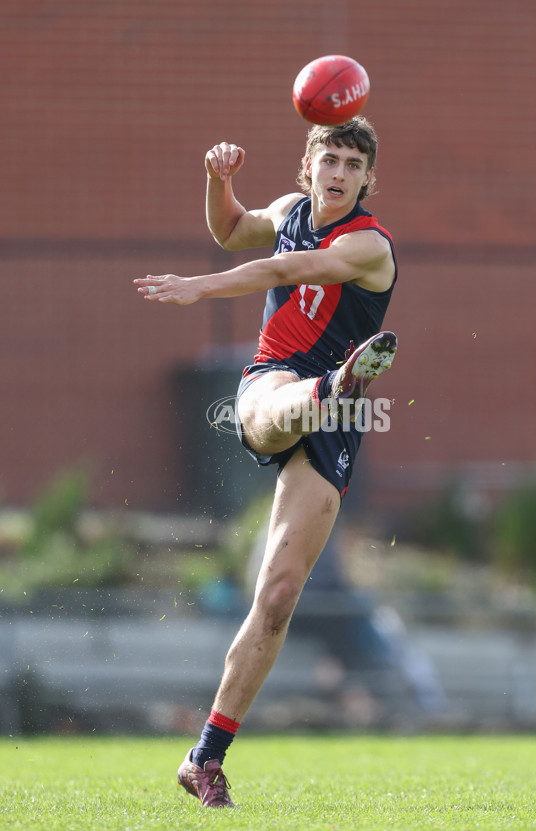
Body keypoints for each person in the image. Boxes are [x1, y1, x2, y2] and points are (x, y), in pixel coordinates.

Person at [134, 116, 398, 808]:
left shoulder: (369, 244)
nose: (338, 173)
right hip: (279, 379)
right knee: (276, 407)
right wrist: (219, 182)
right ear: (307, 167)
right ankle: (331, 386)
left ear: (369, 178)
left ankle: (204, 758)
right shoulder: (287, 212)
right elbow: (233, 230)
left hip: (335, 428)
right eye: (328, 159)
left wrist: (200, 287)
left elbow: (284, 269)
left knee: (278, 595)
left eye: (351, 164)